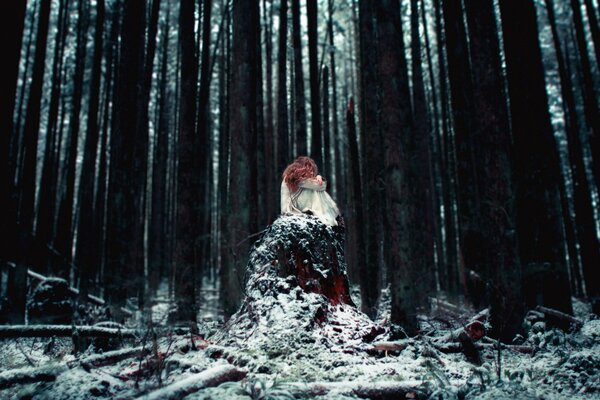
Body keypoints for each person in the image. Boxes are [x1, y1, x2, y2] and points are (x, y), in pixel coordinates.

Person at [280, 156, 341, 226]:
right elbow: (321, 186)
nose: (312, 173)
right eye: (310, 170)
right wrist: (319, 177)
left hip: (293, 206)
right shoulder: (296, 178)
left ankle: (327, 213)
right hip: (290, 210)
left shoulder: (292, 176)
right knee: (315, 191)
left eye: (313, 171)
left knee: (315, 190)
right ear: (302, 168)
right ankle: (327, 214)